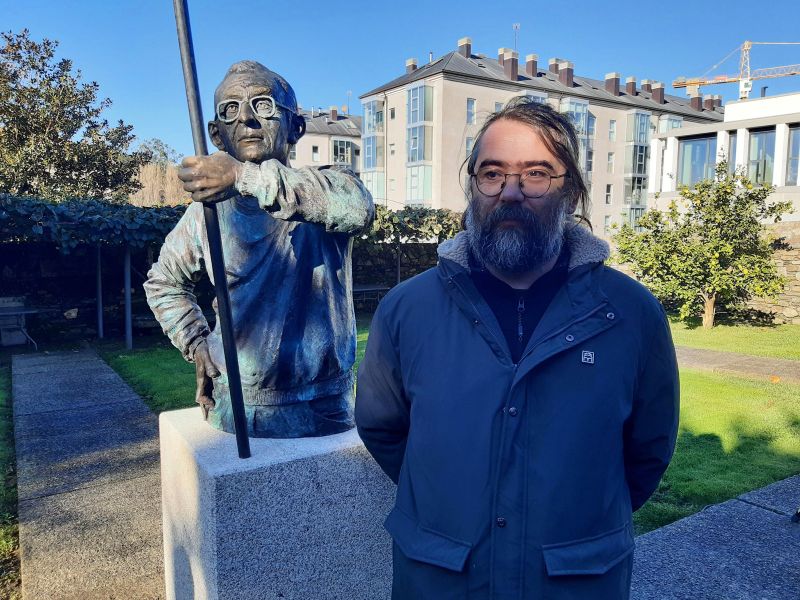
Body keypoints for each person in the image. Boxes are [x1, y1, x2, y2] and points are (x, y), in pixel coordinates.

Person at [355, 97, 679, 599]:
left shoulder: (631, 313)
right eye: (492, 173)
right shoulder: (406, 310)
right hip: (441, 579)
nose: (510, 192)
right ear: (472, 187)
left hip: (575, 583)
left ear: (570, 192)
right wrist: (450, 504)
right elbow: (383, 427)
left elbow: (648, 451)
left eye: (535, 174)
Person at [144, 61, 373, 438]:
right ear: (216, 136)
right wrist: (197, 343)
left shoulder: (332, 184)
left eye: (264, 105)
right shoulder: (207, 214)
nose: (247, 119)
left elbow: (356, 210)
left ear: (296, 127)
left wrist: (242, 176)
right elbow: (163, 283)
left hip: (323, 410)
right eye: (230, 110)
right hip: (235, 406)